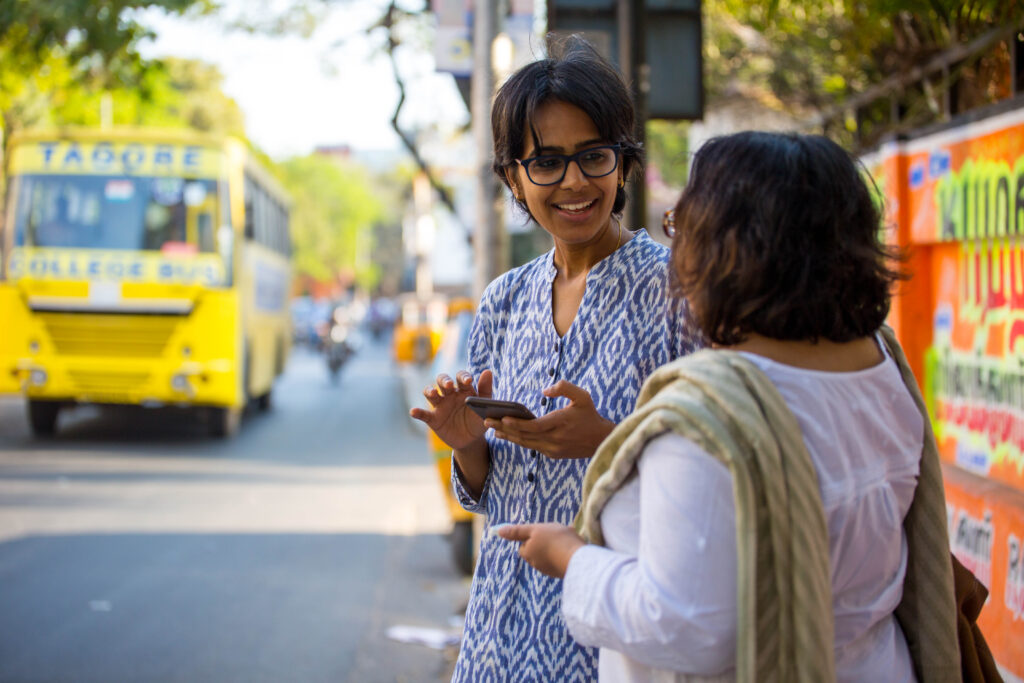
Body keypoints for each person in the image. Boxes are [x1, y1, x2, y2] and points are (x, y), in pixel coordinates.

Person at [498, 131, 961, 681]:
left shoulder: (707, 416)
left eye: (683, 230)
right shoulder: (880, 366)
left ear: (726, 250)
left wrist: (571, 558)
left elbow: (685, 627)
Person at [410, 36, 699, 681]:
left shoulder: (680, 292)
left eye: (593, 156)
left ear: (624, 165)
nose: (574, 182)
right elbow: (491, 493)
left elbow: (717, 465)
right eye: (546, 162)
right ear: (513, 177)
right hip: (495, 636)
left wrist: (607, 441)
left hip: (611, 638)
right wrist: (467, 445)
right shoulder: (503, 300)